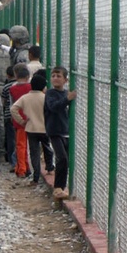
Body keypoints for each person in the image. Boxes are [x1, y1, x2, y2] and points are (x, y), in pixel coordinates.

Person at [11, 72, 49, 184]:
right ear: (43, 86)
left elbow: (13, 109)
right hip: (44, 128)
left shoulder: (25, 97)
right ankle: (50, 166)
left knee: (34, 152)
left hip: (30, 128)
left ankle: (36, 176)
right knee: (47, 148)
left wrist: (21, 121)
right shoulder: (45, 98)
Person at [45, 66, 76, 200]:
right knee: (61, 158)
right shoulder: (50, 93)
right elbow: (54, 107)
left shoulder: (65, 93)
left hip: (66, 131)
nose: (55, 78)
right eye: (53, 76)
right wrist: (67, 100)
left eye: (59, 76)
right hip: (55, 131)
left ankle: (61, 188)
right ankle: (58, 188)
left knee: (66, 160)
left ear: (65, 80)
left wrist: (67, 98)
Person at [7, 65, 32, 178]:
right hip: (30, 119)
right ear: (28, 76)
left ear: (16, 76)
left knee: (20, 145)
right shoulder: (30, 87)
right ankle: (26, 167)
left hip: (18, 120)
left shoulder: (12, 89)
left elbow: (12, 104)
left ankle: (22, 168)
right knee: (28, 145)